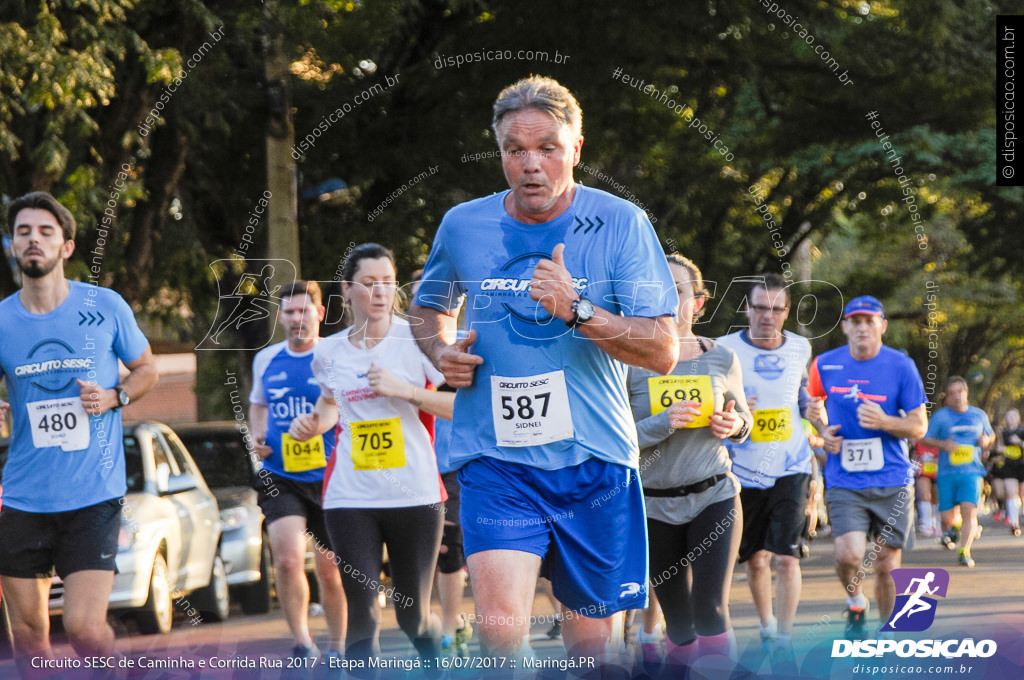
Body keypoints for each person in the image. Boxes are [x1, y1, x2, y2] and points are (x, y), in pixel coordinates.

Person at [409, 75, 680, 665]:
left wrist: (577, 309)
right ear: (501, 151)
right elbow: (429, 307)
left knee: (591, 648)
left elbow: (663, 349)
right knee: (501, 632)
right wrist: (440, 352)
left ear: (576, 149)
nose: (530, 165)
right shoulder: (462, 225)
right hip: (495, 458)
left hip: (594, 460)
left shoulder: (622, 224)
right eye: (515, 150)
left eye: (547, 149)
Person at [0, 191, 158, 677]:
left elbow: (146, 367)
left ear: (66, 246)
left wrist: (117, 396)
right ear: (11, 245)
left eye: (46, 232)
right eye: (24, 231)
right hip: (25, 497)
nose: (34, 240)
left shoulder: (104, 305)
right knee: (29, 639)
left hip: (93, 495)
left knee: (85, 629)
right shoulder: (2, 319)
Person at [289, 243, 453, 666]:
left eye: (388, 283)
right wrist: (312, 424)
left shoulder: (417, 340)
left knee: (412, 616)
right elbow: (330, 406)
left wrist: (406, 391)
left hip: (414, 494)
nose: (380, 292)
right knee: (362, 615)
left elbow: (460, 408)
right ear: (347, 289)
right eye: (369, 283)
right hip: (351, 496)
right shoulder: (328, 351)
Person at [628, 254, 751, 673]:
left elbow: (744, 421)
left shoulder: (721, 357)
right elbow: (618, 439)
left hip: (713, 494)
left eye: (677, 291)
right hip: (653, 505)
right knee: (678, 617)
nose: (667, 299)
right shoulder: (629, 362)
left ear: (697, 303)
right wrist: (661, 424)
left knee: (710, 606)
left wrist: (734, 424)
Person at [807, 295, 928, 640]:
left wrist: (886, 421)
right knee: (849, 554)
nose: (862, 328)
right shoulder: (824, 364)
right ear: (845, 326)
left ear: (882, 326)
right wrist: (822, 431)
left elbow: (919, 426)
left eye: (869, 321)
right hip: (844, 479)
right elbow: (812, 405)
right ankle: (856, 599)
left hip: (892, 479)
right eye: (855, 321)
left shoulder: (901, 366)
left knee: (888, 564)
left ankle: (887, 631)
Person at [717, 274, 817, 664]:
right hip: (742, 467)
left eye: (776, 309)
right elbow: (710, 398)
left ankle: (786, 639)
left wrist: (812, 411)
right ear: (747, 309)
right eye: (760, 308)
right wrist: (737, 408)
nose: (767, 316)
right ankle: (766, 626)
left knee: (787, 557)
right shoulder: (725, 349)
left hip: (791, 464)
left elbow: (801, 394)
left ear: (787, 312)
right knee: (756, 558)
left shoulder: (800, 347)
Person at [248, 280, 346, 661]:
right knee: (288, 559)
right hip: (280, 474)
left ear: (320, 314)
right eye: (288, 312)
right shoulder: (266, 359)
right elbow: (258, 404)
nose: (296, 319)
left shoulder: (336, 355)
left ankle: (338, 648)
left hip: (330, 475)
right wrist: (256, 438)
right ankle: (303, 643)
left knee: (331, 570)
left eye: (304, 311)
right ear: (280, 316)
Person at [920, 376, 994, 567]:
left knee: (969, 511)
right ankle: (955, 527)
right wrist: (943, 444)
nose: (957, 397)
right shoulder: (940, 417)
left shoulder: (979, 415)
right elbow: (925, 439)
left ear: (966, 392)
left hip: (972, 472)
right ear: (948, 396)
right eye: (952, 393)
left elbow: (990, 434)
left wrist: (987, 440)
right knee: (947, 517)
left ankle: (965, 551)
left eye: (960, 392)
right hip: (946, 473)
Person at [994, 408, 1024, 535]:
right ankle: (1014, 524)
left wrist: (1019, 442)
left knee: (1021, 495)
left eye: (1013, 416)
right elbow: (998, 448)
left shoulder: (1022, 431)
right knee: (1011, 492)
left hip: (1022, 465)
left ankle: (1021, 514)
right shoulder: (1003, 433)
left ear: (1018, 418)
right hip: (1009, 466)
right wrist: (1004, 447)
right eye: (1008, 416)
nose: (1011, 419)